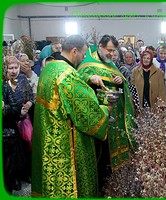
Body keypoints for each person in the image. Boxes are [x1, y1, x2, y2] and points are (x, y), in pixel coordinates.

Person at [31, 35, 111, 198]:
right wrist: (106, 108)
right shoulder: (67, 76)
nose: (83, 59)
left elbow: (64, 92)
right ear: (74, 51)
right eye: (83, 55)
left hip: (48, 140)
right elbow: (88, 115)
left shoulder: (50, 67)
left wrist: (88, 77)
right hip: (66, 146)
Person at [77, 34, 137, 195]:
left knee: (111, 154)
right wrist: (90, 78)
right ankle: (100, 187)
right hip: (97, 116)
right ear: (101, 47)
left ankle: (113, 185)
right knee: (100, 154)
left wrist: (120, 81)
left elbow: (124, 85)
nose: (112, 54)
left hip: (114, 116)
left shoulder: (111, 63)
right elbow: (77, 81)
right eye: (109, 50)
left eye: (114, 51)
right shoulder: (87, 62)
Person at [2, 56, 34, 193]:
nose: (14, 71)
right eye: (11, 68)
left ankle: (25, 174)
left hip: (24, 120)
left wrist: (29, 103)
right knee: (15, 153)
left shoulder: (22, 80)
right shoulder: (4, 84)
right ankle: (14, 178)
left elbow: (31, 96)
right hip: (10, 122)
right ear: (6, 69)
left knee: (27, 147)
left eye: (16, 67)